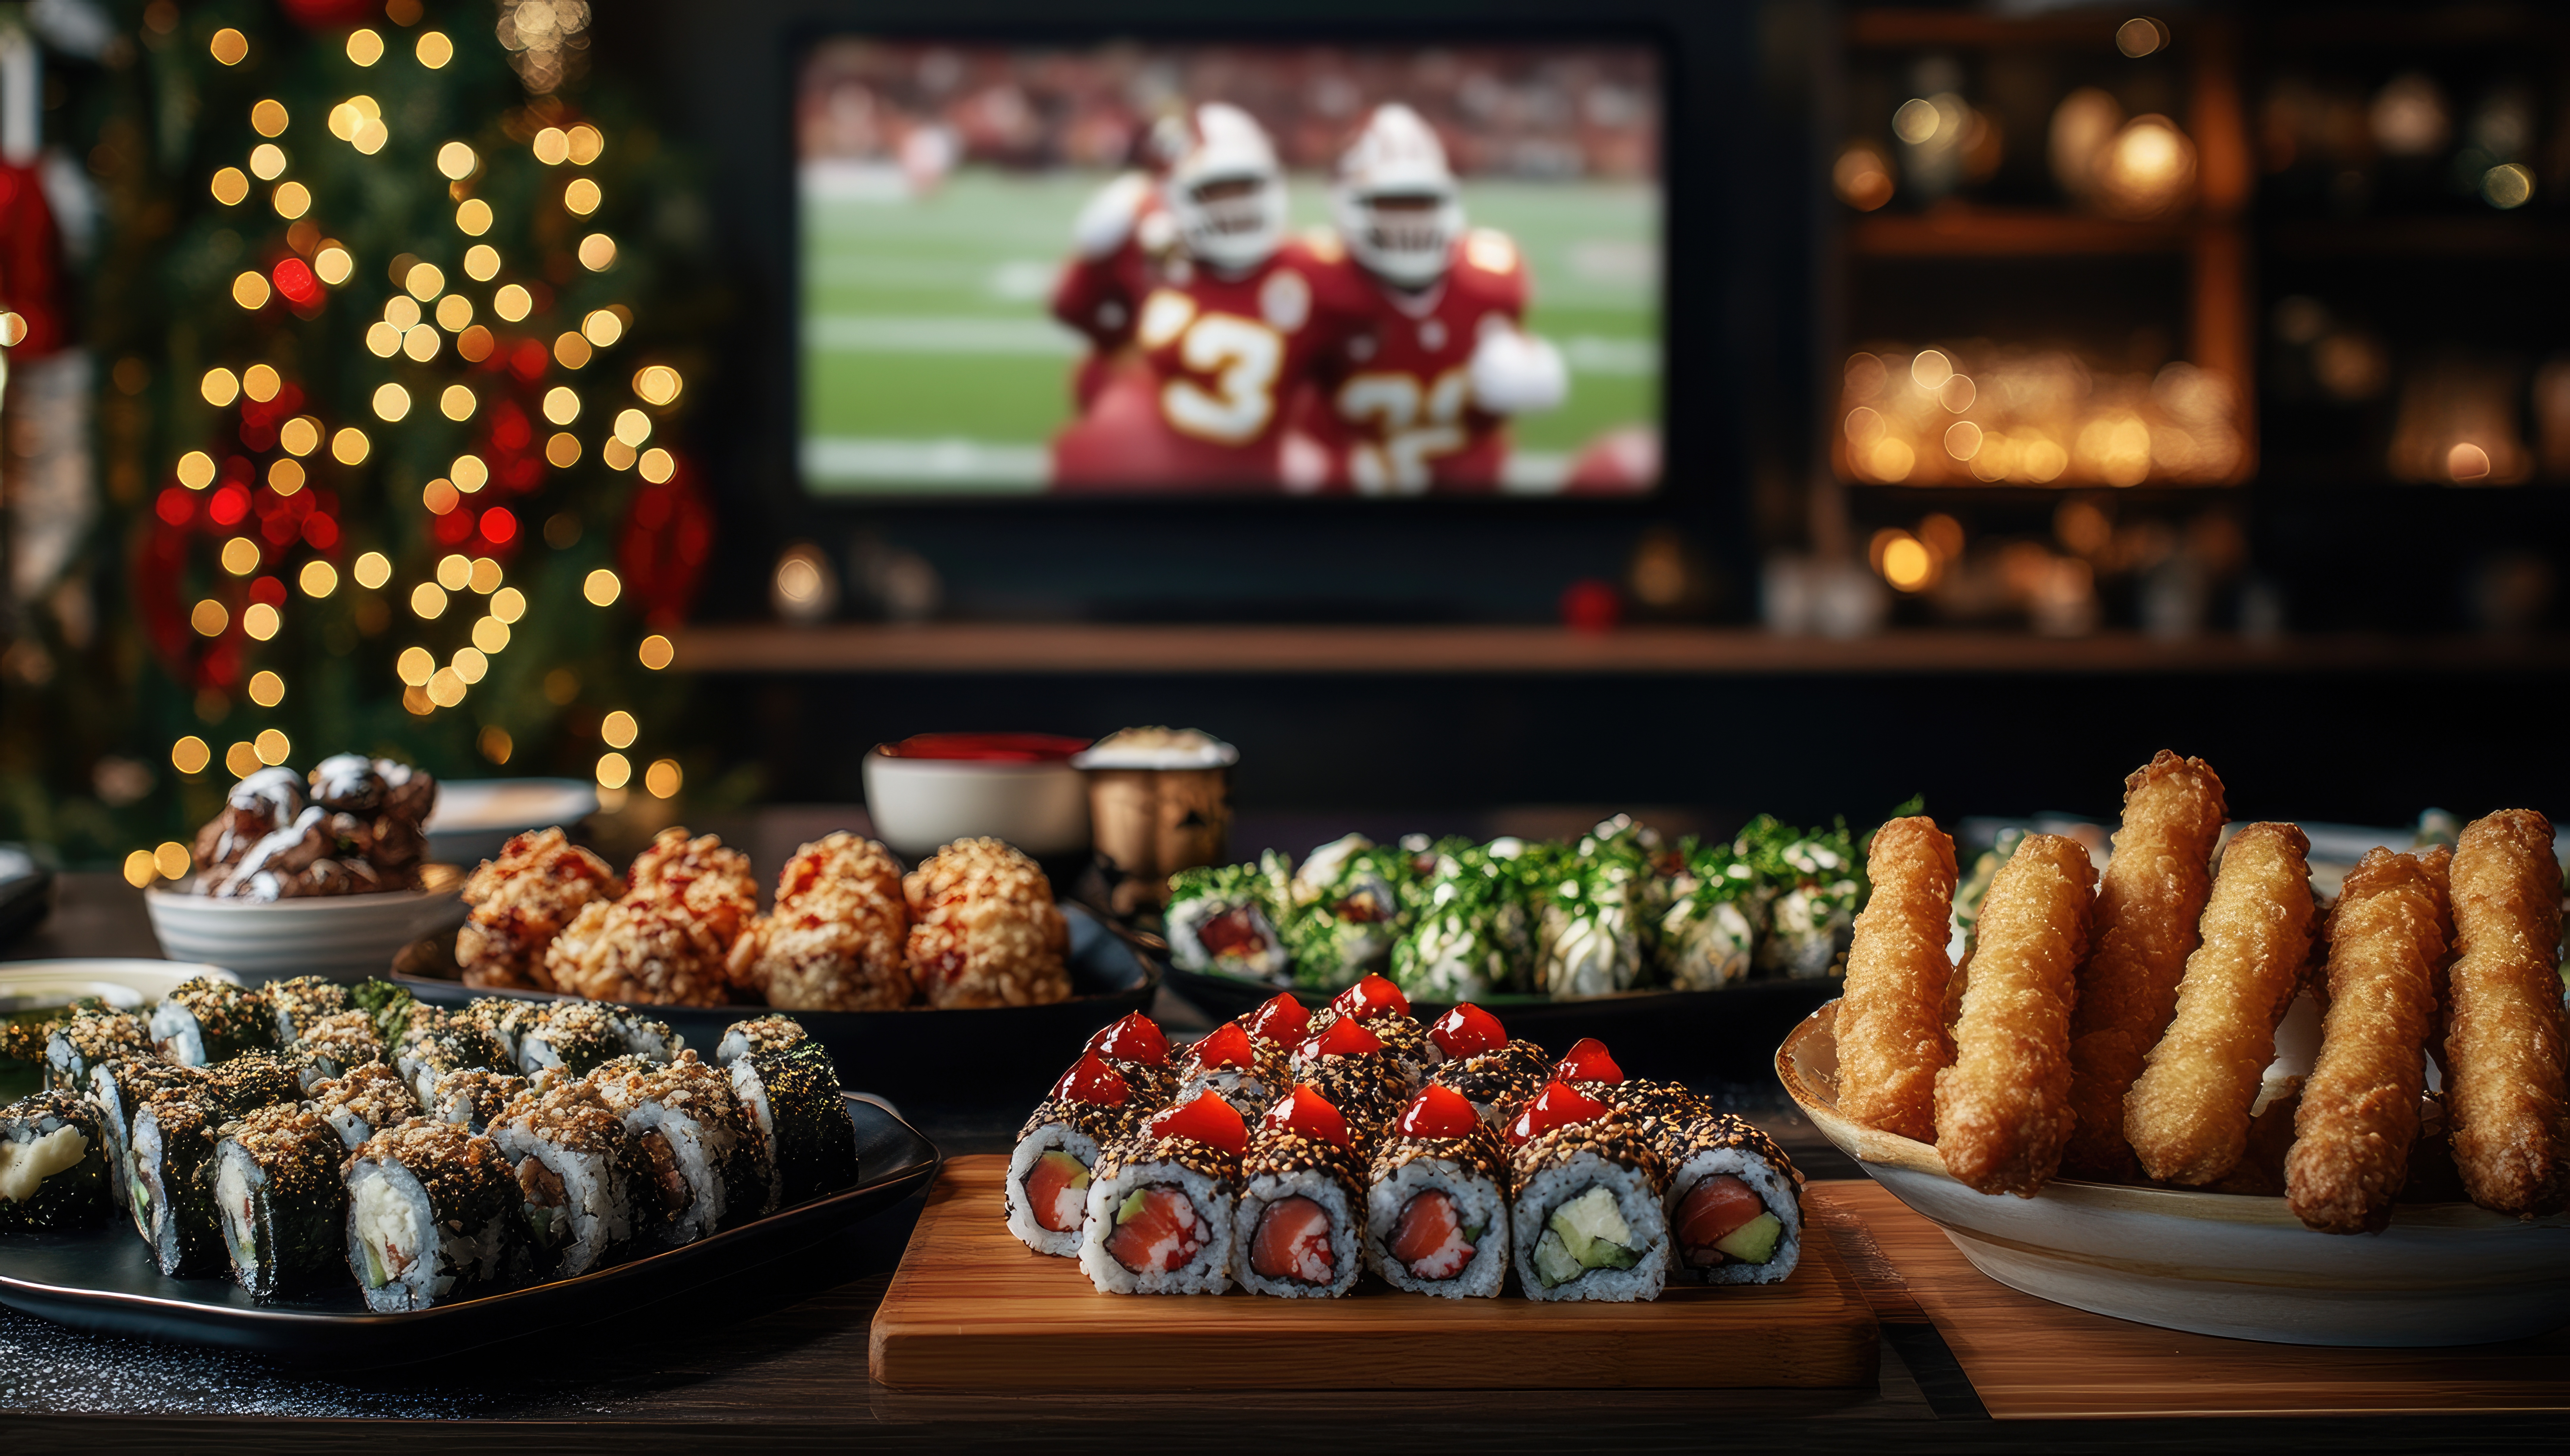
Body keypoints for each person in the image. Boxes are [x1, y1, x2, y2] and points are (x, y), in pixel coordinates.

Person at [1048, 103, 1372, 489]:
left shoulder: (1306, 269)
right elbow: (1073, 304)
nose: (1233, 204)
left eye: (1244, 187)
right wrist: (1119, 349)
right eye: (1215, 191)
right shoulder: (1137, 225)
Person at [1303, 102, 1569, 493]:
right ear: (1347, 205)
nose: (1409, 221)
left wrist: (1528, 359)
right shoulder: (1315, 283)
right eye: (1390, 204)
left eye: (1421, 202)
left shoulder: (1492, 279)